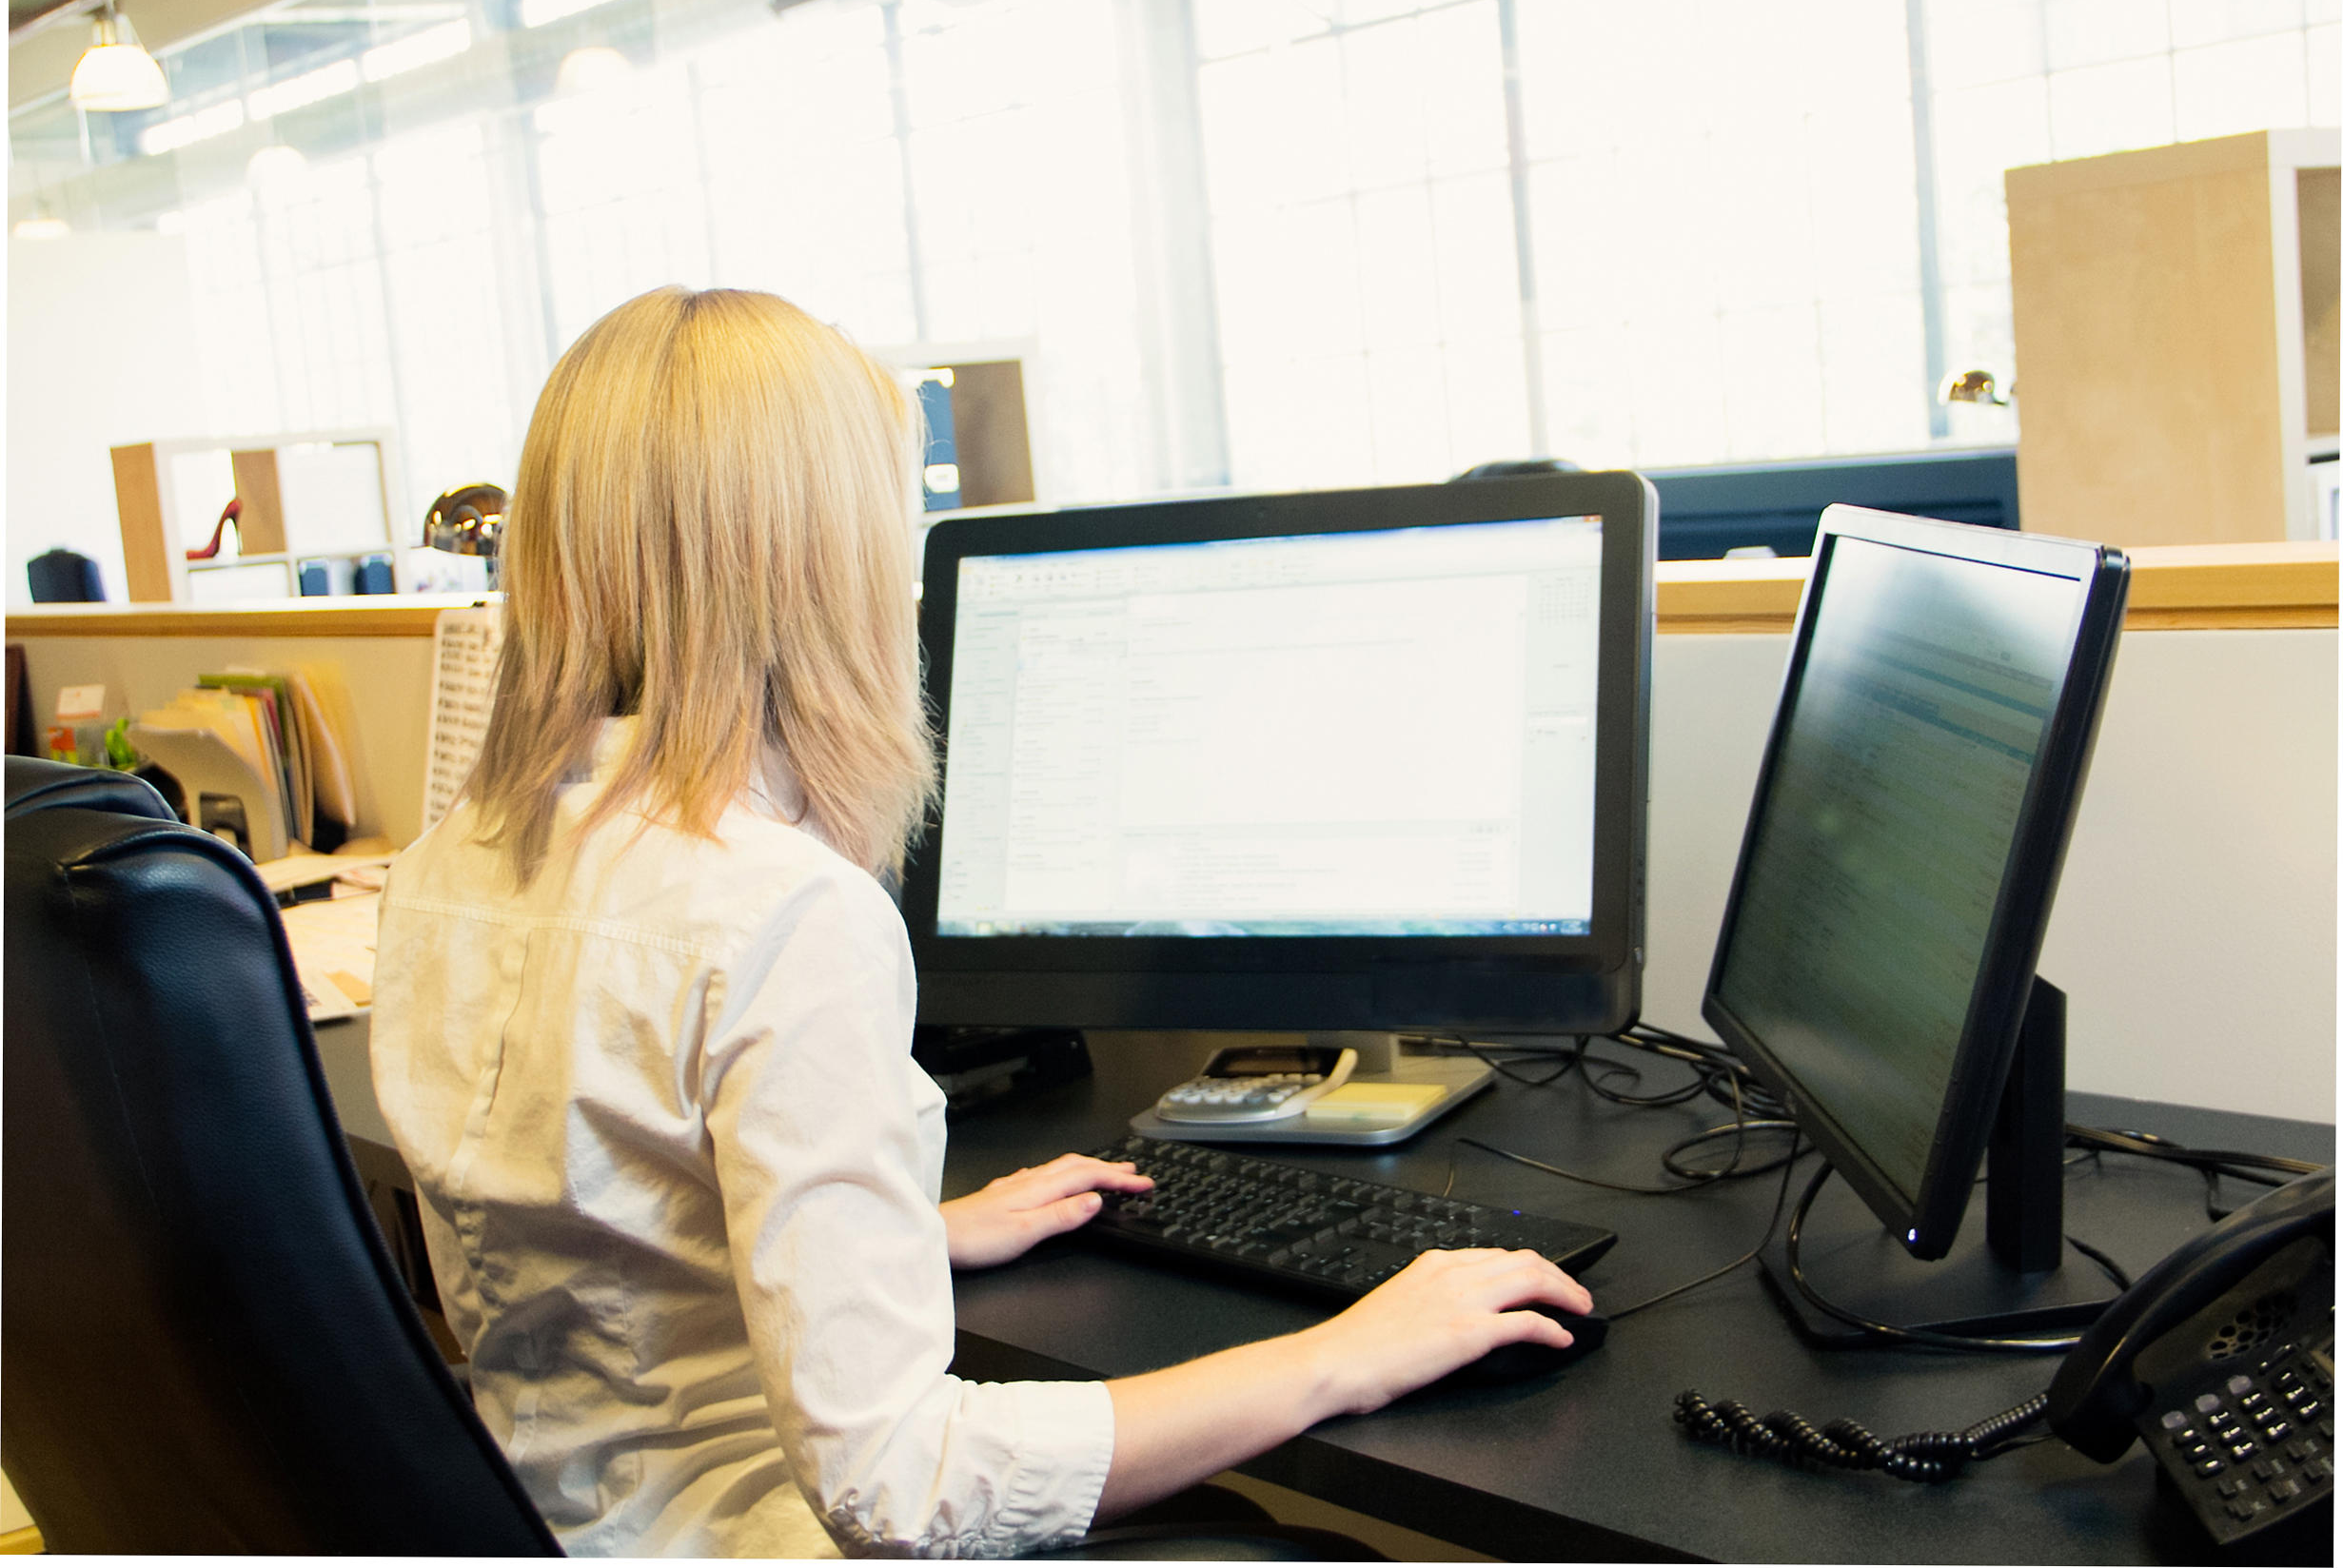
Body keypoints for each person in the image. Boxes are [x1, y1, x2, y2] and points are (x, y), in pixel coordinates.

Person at [370, 285, 1596, 1558]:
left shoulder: (449, 862)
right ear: (822, 555)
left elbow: (605, 1237)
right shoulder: (775, 912)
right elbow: (905, 1493)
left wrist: (915, 1235)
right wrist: (1348, 1354)